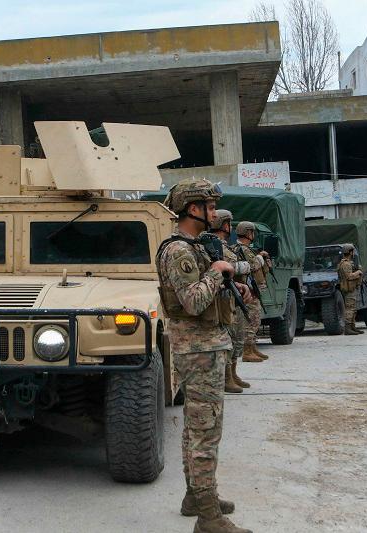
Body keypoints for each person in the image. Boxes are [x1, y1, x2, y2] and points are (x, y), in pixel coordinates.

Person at [157, 178, 252, 533]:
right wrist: (216, 273)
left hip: (205, 346)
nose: (214, 212)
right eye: (210, 207)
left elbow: (204, 294)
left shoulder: (193, 246)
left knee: (197, 428)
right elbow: (194, 302)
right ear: (192, 209)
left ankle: (196, 497)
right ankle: (208, 517)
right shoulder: (179, 251)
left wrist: (230, 285)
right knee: (205, 432)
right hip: (199, 350)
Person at [209, 209, 252, 393]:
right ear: (224, 225)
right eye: (229, 223)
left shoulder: (224, 246)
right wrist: (243, 266)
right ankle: (227, 377)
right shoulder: (217, 245)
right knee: (230, 338)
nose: (231, 227)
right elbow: (227, 267)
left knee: (236, 338)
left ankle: (232, 374)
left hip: (234, 295)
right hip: (225, 297)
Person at [233, 221, 271, 362]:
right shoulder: (243, 249)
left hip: (250, 289)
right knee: (252, 320)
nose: (253, 235)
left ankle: (252, 348)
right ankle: (248, 351)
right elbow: (254, 265)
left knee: (255, 319)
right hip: (248, 290)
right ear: (248, 233)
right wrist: (261, 258)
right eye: (252, 232)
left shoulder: (243, 249)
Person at [338, 243, 363, 335]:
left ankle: (352, 326)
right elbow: (349, 276)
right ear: (350, 252)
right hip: (348, 289)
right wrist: (358, 273)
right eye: (352, 251)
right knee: (349, 308)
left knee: (353, 308)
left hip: (352, 288)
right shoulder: (345, 264)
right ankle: (348, 328)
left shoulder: (349, 263)